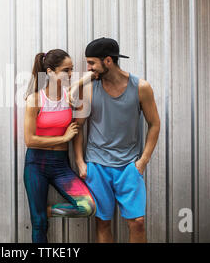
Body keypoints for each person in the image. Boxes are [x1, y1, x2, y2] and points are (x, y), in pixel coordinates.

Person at [72, 38, 161, 243]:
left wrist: (143, 161)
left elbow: (154, 124)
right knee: (103, 222)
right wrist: (80, 163)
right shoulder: (89, 88)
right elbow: (78, 127)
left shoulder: (141, 87)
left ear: (108, 61)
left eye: (92, 63)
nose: (88, 68)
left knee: (137, 221)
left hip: (129, 166)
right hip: (97, 165)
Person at [23, 49, 96, 243]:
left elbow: (77, 129)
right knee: (39, 224)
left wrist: (78, 84)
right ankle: (39, 215)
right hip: (36, 164)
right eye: (66, 70)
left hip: (60, 166)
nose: (71, 74)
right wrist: (63, 139)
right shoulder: (35, 100)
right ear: (50, 72)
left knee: (87, 207)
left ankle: (44, 211)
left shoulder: (70, 96)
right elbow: (30, 140)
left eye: (72, 70)